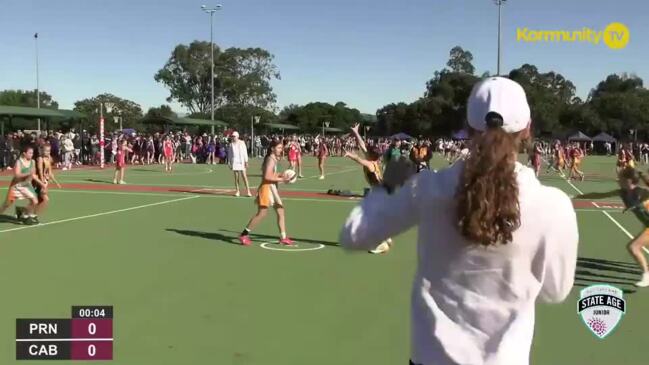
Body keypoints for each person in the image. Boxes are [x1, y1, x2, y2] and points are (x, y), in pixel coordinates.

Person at [340, 77, 578, 365]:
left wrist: (387, 187)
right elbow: (554, 292)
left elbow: (354, 235)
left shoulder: (426, 187)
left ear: (467, 128)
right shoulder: (554, 205)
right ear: (527, 130)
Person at [345, 123, 392, 254]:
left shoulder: (370, 164)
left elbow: (360, 159)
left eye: (367, 150)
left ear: (370, 155)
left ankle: (382, 244)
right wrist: (356, 132)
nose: (365, 149)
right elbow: (362, 145)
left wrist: (350, 155)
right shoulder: (375, 160)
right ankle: (386, 237)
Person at [239, 140, 293, 246]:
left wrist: (281, 174)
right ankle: (244, 235)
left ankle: (283, 237)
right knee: (262, 214)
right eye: (278, 148)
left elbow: (271, 174)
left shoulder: (273, 159)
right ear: (272, 148)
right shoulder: (270, 160)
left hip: (272, 188)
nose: (281, 150)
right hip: (266, 188)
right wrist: (283, 180)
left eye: (281, 148)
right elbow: (267, 177)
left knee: (280, 211)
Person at [0, 145, 47, 225]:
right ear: (24, 153)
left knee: (35, 201)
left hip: (27, 185)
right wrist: (28, 173)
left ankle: (25, 216)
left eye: (32, 153)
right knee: (7, 204)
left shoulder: (32, 162)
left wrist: (42, 184)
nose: (31, 155)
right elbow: (17, 175)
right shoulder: (19, 162)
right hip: (16, 186)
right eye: (30, 153)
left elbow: (33, 175)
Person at [228, 131, 252, 197]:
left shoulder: (242, 143)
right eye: (232, 136)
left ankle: (248, 191)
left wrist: (246, 161)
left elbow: (245, 152)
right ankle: (237, 191)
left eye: (234, 136)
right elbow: (229, 154)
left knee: (244, 176)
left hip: (241, 162)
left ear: (237, 136)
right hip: (234, 162)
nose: (233, 137)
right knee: (236, 177)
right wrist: (229, 162)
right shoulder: (231, 144)